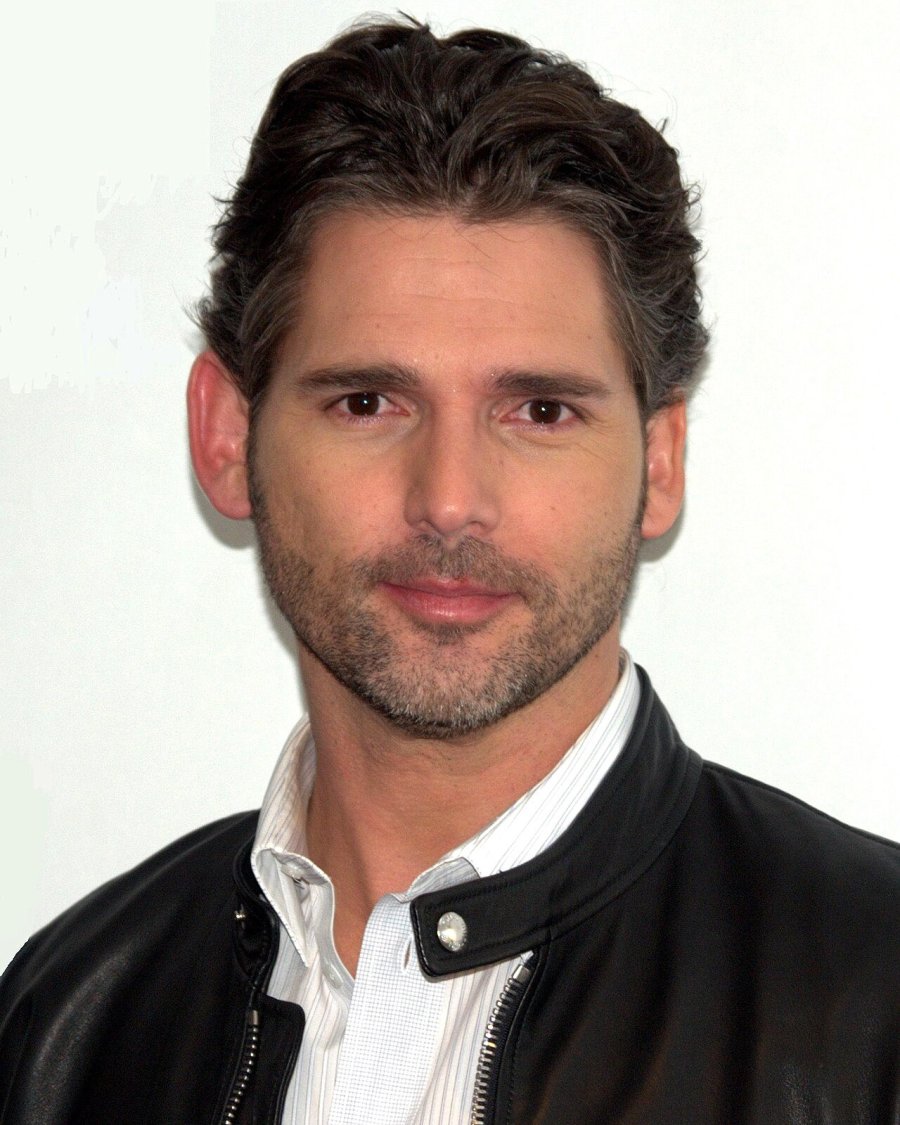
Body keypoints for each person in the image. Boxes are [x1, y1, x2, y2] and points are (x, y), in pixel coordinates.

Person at [1, 16, 897, 1125]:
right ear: (227, 434)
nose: (450, 499)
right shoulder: (66, 1030)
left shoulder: (875, 1006)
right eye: (368, 402)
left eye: (541, 410)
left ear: (660, 461)